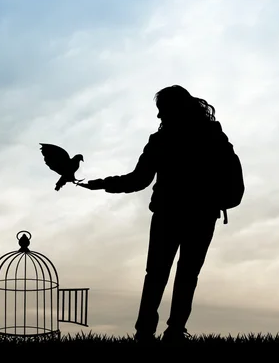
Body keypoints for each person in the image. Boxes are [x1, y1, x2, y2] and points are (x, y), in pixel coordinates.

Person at [77, 85, 229, 343]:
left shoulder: (162, 141)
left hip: (169, 214)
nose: (159, 117)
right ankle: (175, 331)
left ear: (173, 109)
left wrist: (103, 184)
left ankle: (145, 333)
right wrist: (103, 183)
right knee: (187, 274)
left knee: (157, 274)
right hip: (202, 214)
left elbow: (138, 180)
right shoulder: (212, 136)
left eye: (162, 111)